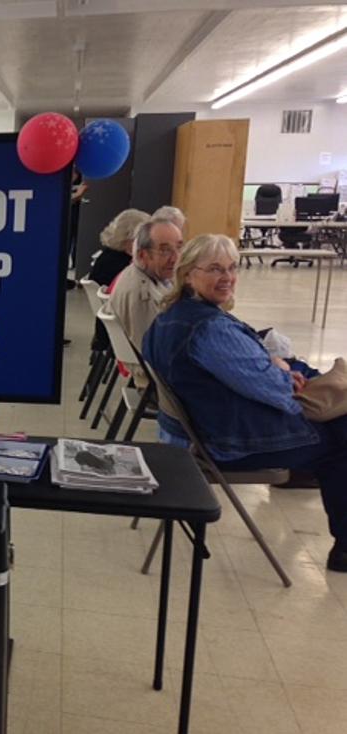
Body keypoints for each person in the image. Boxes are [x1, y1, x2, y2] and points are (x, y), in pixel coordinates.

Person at [143, 234, 347, 572]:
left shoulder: (170, 315)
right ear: (190, 274)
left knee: (335, 424)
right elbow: (280, 395)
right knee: (341, 438)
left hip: (190, 430)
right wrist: (281, 371)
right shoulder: (208, 328)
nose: (227, 278)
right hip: (221, 443)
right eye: (215, 269)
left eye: (232, 268)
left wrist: (276, 370)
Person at [108, 217, 183, 359]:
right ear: (143, 255)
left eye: (179, 247)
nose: (176, 258)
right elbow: (157, 355)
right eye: (165, 251)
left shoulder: (139, 273)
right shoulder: (144, 296)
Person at [88, 208, 150, 351]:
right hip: (123, 339)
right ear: (131, 238)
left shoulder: (108, 256)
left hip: (109, 333)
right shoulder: (122, 266)